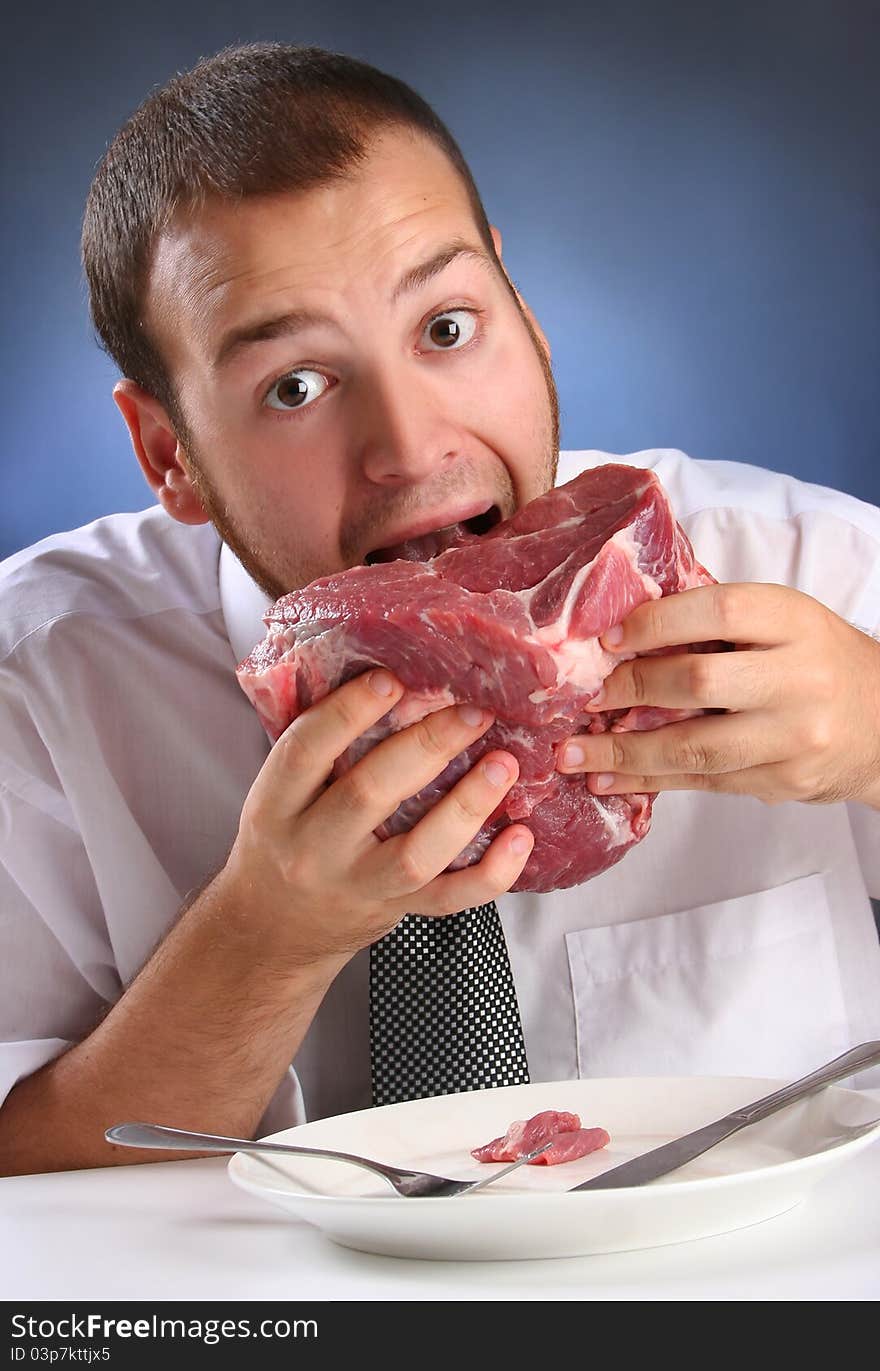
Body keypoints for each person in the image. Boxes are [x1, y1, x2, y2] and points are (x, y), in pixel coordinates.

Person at [1, 42, 878, 1177]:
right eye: (294, 387)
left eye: (448, 328)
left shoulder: (812, 569)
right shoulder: (36, 696)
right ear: (169, 453)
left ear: (523, 312)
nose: (410, 449)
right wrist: (263, 939)